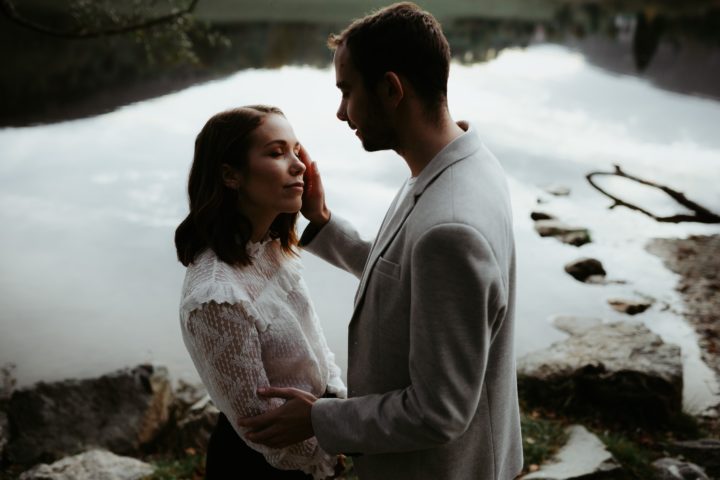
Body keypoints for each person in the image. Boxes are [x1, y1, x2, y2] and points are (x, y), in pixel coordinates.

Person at [238, 3, 523, 479]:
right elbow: (412, 277)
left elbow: (439, 412)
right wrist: (323, 222)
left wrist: (319, 419)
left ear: (391, 89)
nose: (341, 112)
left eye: (347, 91)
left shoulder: (450, 229)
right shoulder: (462, 163)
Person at [174, 105, 347, 479]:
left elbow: (315, 346)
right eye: (276, 153)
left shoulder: (270, 249)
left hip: (314, 434)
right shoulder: (216, 295)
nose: (299, 166)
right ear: (230, 175)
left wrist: (335, 405)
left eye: (296, 151)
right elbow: (260, 426)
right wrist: (331, 439)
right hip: (262, 467)